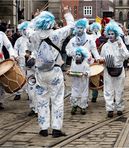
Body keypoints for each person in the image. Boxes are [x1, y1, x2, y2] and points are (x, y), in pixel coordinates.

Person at [27, 6, 74, 137]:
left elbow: (27, 28)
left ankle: (43, 128)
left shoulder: (34, 35)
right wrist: (67, 13)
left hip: (40, 73)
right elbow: (71, 26)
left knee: (41, 100)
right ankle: (56, 129)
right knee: (57, 100)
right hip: (55, 72)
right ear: (51, 23)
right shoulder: (57, 34)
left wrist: (36, 16)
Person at [100, 21, 129, 118]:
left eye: (113, 33)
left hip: (119, 70)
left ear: (116, 34)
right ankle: (110, 109)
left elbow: (126, 56)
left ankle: (120, 108)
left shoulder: (120, 44)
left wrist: (121, 47)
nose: (111, 35)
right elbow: (102, 58)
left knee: (119, 90)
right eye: (109, 33)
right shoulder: (105, 46)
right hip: (108, 70)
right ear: (107, 34)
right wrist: (102, 60)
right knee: (108, 90)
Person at [67, 47, 91, 115]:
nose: (77, 56)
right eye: (76, 55)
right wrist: (69, 72)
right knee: (74, 94)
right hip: (75, 82)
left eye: (79, 55)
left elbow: (89, 72)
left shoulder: (85, 64)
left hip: (83, 82)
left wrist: (86, 73)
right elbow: (71, 71)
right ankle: (74, 106)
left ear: (82, 56)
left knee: (83, 95)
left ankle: (83, 107)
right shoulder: (73, 64)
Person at [0, 31, 17, 110]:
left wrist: (12, 55)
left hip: (0, 61)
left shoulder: (1, 34)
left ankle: (0, 101)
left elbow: (9, 46)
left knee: (1, 82)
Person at [89, 22, 102, 102]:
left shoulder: (102, 37)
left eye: (97, 28)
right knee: (93, 77)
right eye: (94, 28)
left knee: (101, 77)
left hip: (100, 59)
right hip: (92, 59)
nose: (95, 30)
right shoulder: (90, 37)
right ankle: (94, 95)